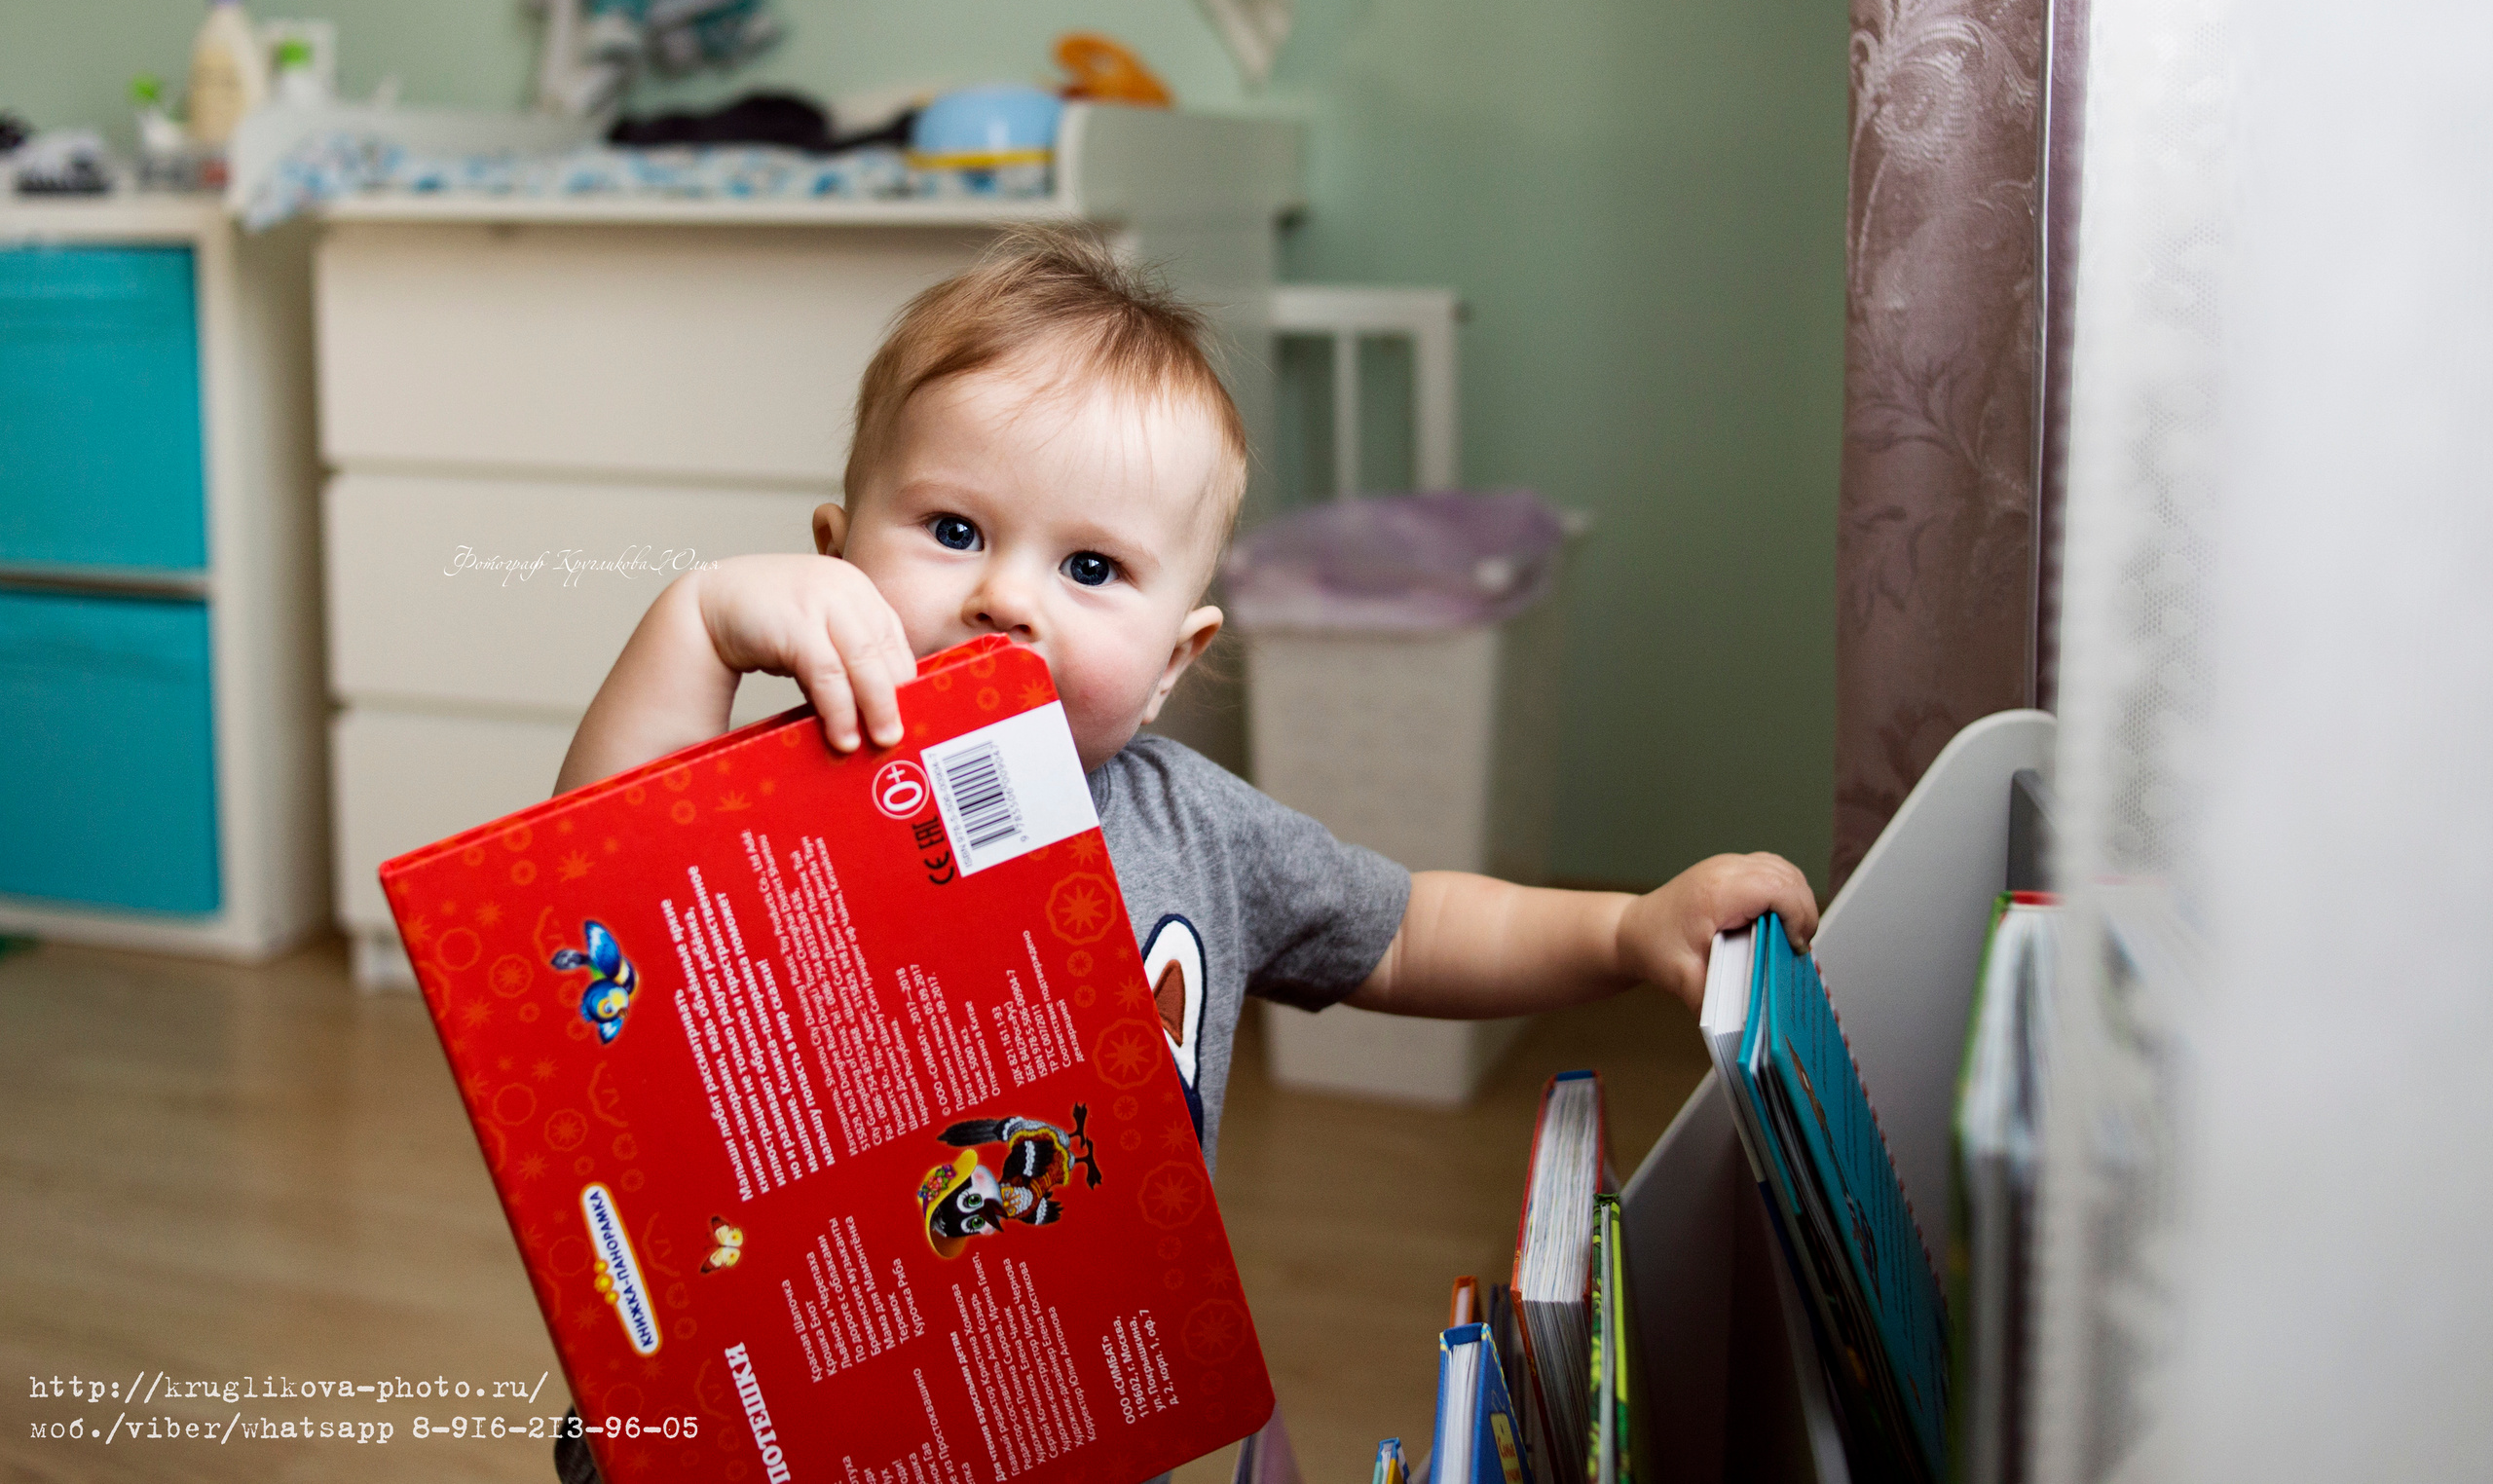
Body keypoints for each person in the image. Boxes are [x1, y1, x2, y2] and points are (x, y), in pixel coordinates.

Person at [555, 226, 1818, 1168]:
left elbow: (1411, 931)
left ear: (1172, 659)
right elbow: (579, 906)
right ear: (834, 555)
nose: (1007, 598)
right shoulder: (787, 786)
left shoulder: (1199, 833)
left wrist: (1621, 930)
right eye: (951, 527)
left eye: (1091, 567)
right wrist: (698, 622)